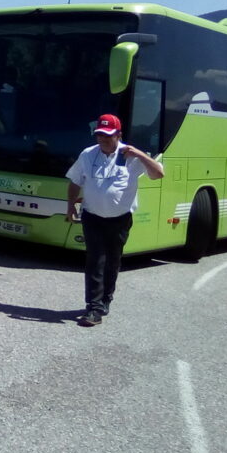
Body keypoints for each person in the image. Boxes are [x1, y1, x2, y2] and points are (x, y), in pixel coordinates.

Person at [65, 113, 164, 326]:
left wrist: (140, 154)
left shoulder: (131, 157)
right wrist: (70, 204)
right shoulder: (88, 154)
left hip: (120, 219)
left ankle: (106, 298)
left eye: (108, 136)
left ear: (118, 135)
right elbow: (75, 180)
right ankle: (93, 307)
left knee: (113, 260)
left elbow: (158, 174)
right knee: (95, 260)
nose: (103, 139)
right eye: (100, 135)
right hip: (92, 217)